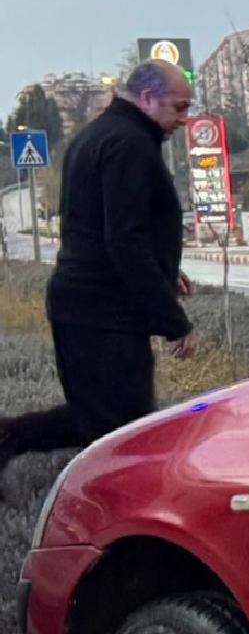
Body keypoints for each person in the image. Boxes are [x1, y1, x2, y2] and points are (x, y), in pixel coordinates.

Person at [0, 60, 197, 469]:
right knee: (123, 431)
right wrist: (174, 321)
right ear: (147, 98)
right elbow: (124, 240)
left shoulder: (98, 136)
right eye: (179, 107)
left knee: (101, 421)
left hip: (88, 307)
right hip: (104, 314)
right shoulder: (129, 145)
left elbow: (95, 229)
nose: (184, 118)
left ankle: (7, 439)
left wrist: (164, 272)